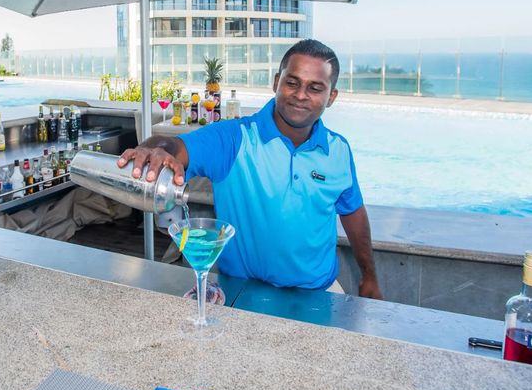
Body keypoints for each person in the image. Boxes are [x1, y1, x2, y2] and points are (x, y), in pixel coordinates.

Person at [118, 39, 382, 300]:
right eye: (292, 83)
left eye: (315, 88)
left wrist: (369, 276)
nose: (301, 95)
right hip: (243, 293)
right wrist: (153, 149)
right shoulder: (234, 138)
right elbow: (174, 146)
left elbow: (352, 211)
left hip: (320, 294)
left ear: (331, 96)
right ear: (276, 82)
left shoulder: (339, 150)